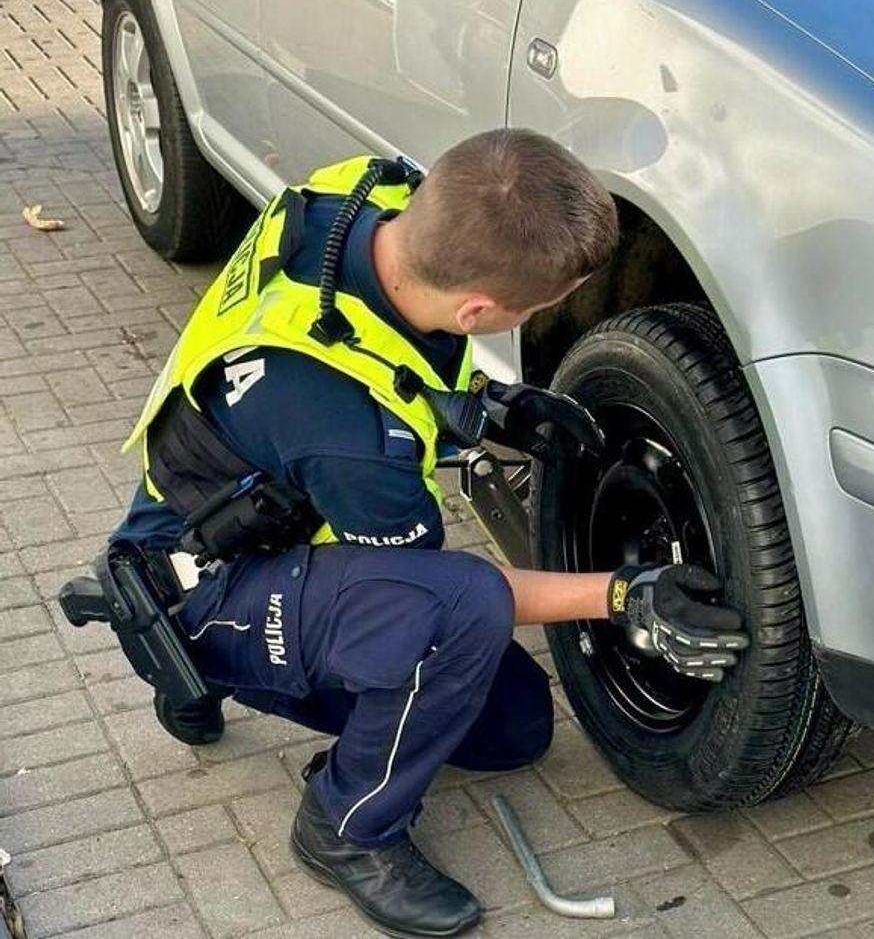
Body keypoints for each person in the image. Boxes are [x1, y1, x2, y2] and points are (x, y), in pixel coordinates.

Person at [112, 129, 749, 938]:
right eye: (538, 310)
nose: (542, 317)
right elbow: (434, 600)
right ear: (480, 310)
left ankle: (198, 681)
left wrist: (490, 406)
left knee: (514, 727)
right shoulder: (354, 439)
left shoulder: (369, 199)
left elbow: (386, 346)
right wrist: (624, 594)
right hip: (200, 590)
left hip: (223, 506)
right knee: (461, 610)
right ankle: (346, 825)